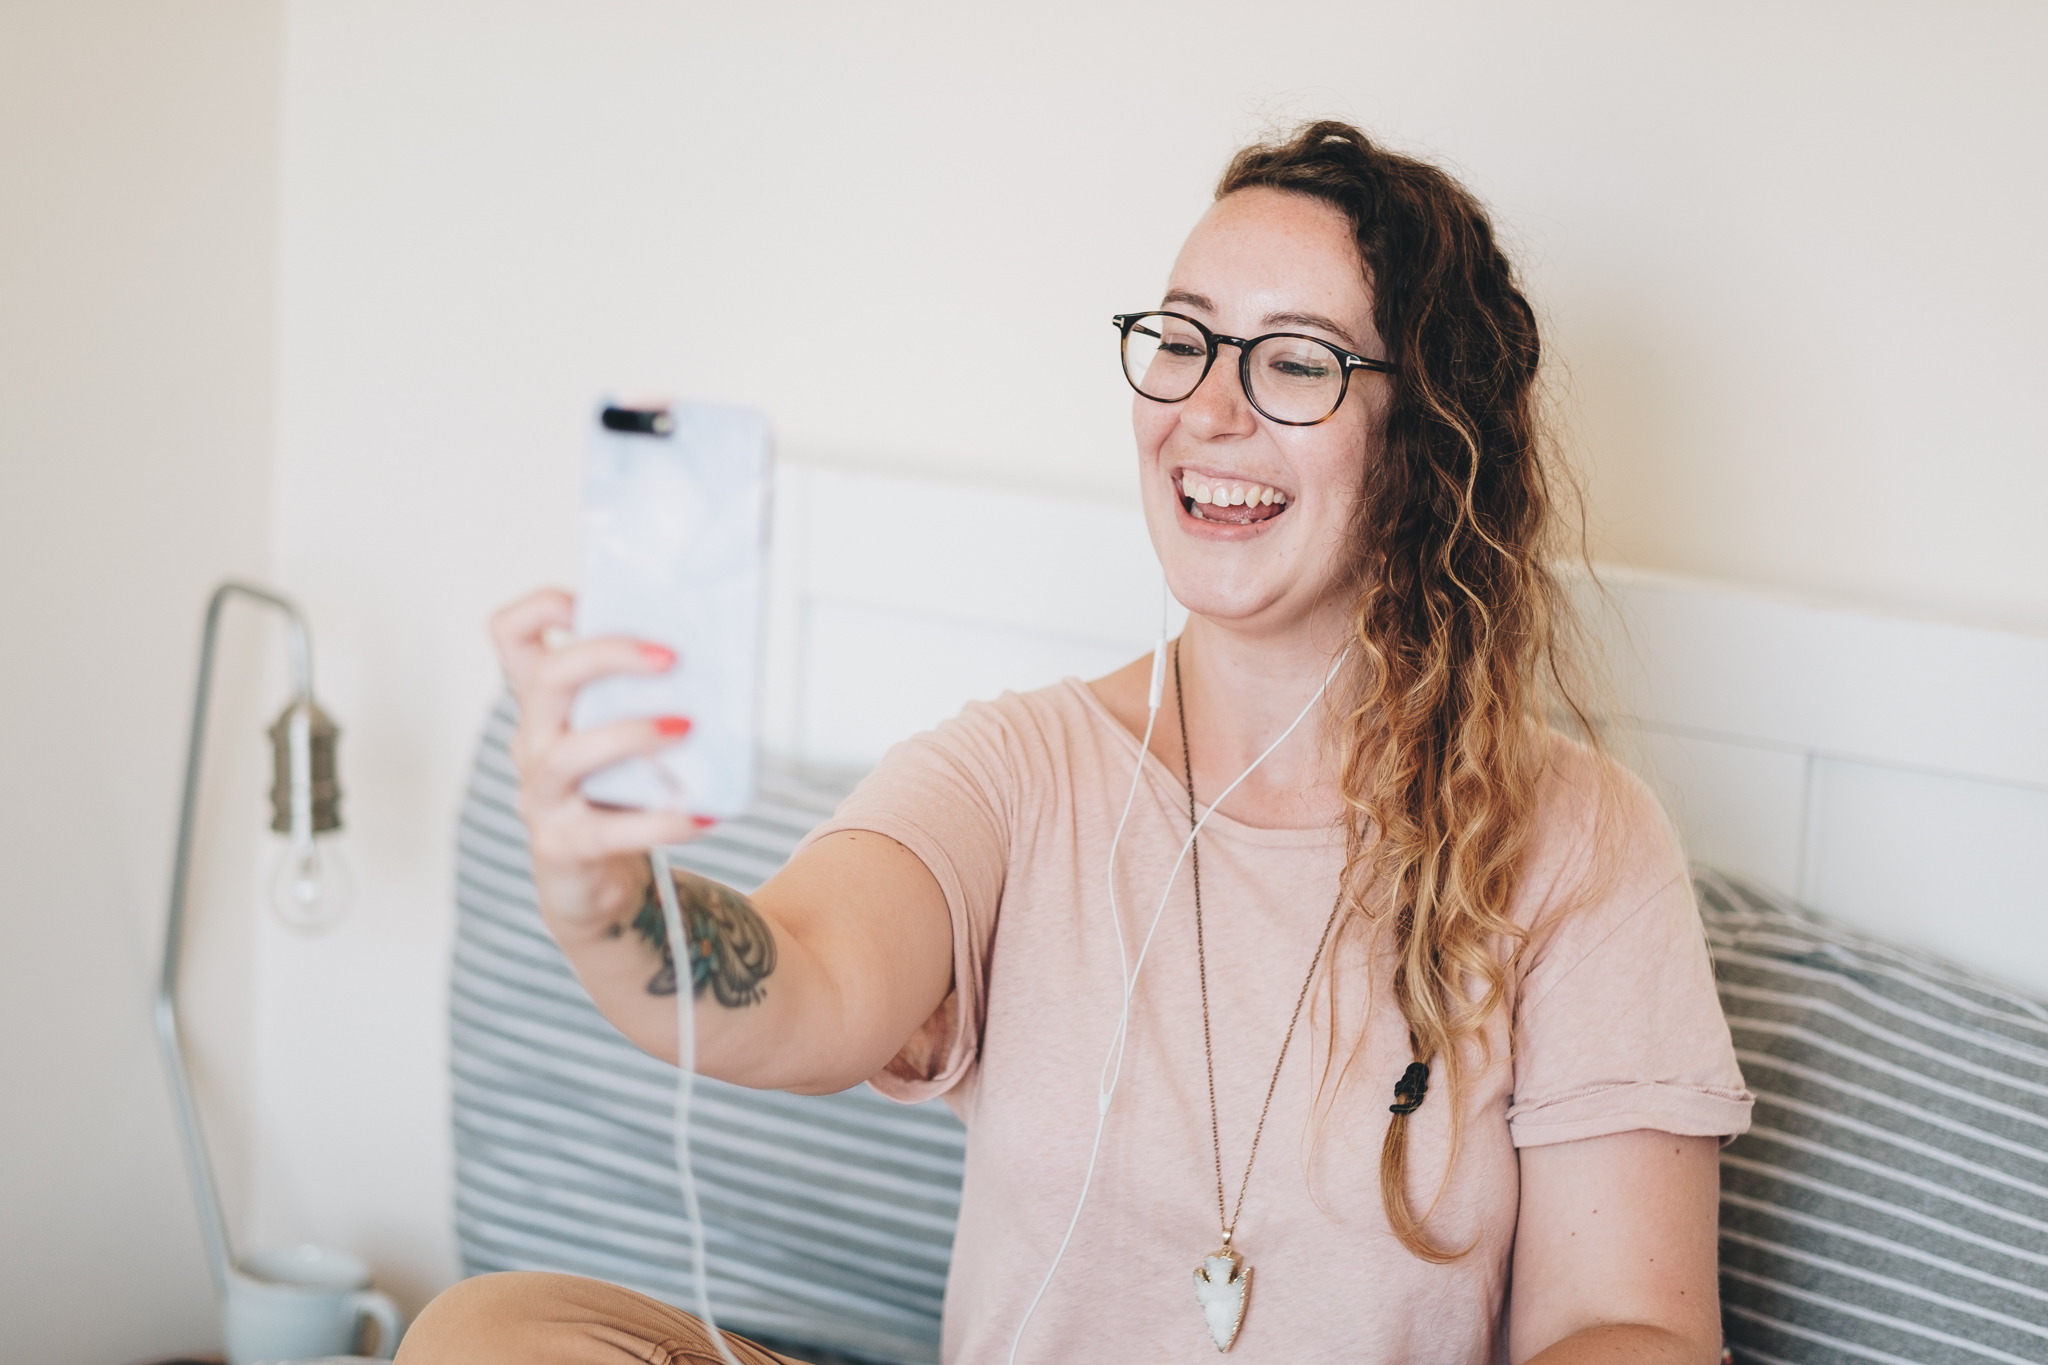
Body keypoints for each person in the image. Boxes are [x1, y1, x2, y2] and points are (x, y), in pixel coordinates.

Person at [398, 120, 1751, 1364]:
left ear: (1424, 440)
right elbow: (802, 982)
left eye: (1293, 360)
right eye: (1184, 338)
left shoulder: (1577, 839)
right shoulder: (1018, 769)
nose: (1208, 408)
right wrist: (607, 901)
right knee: (491, 1334)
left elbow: (1625, 1323)